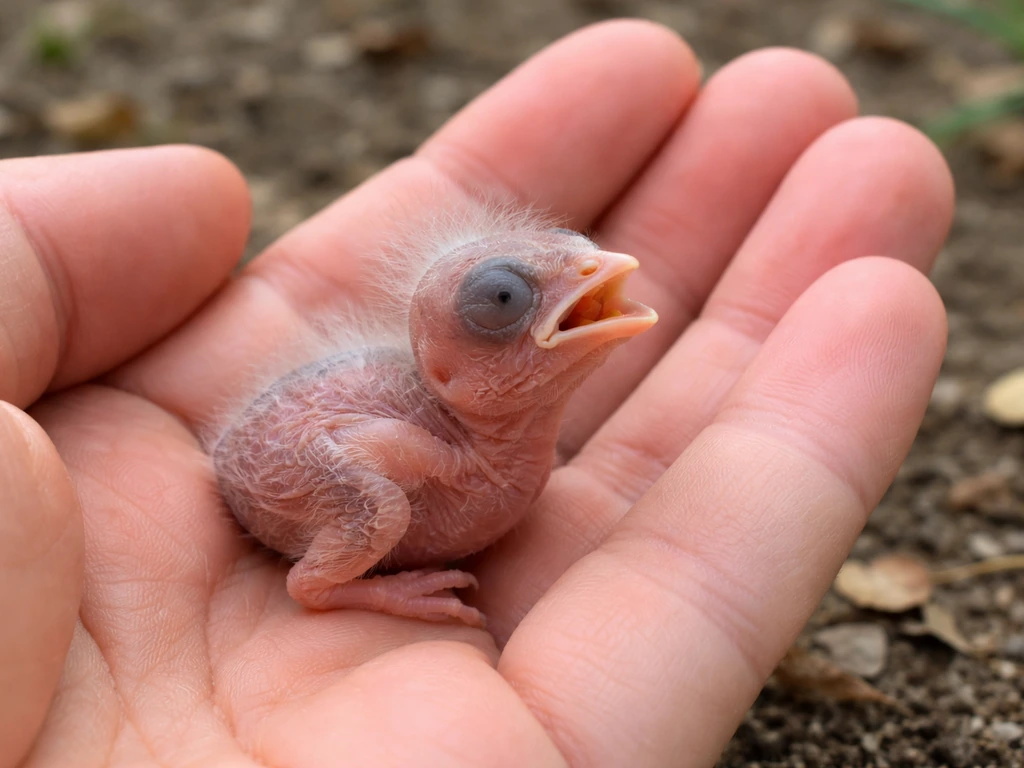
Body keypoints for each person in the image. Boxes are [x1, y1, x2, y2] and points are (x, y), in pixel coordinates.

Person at [1, 20, 952, 768]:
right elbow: (352, 453)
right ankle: (329, 584)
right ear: (446, 370)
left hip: (323, 441)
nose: (599, 279)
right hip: (295, 490)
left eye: (574, 270)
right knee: (367, 499)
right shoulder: (434, 446)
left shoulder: (477, 420)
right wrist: (368, 564)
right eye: (501, 305)